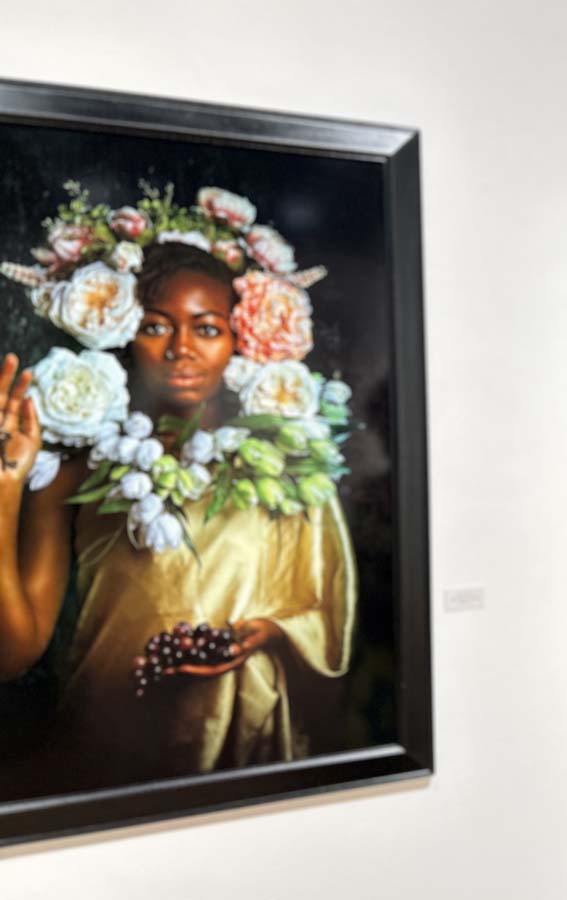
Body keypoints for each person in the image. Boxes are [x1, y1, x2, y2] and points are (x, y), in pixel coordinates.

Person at [0, 242, 356, 793]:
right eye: (155, 326)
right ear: (122, 336)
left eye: (208, 329)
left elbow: (325, 610)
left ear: (242, 340)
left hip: (243, 754)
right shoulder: (75, 466)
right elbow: (13, 654)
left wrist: (268, 634)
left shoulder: (283, 463)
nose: (181, 350)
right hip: (101, 751)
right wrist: (5, 485)